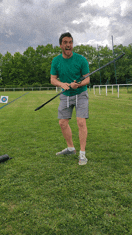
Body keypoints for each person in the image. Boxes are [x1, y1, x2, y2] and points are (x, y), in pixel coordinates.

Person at [50, 32, 90, 165]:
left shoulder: (81, 60)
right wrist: (62, 84)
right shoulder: (56, 61)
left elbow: (87, 78)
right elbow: (53, 79)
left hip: (80, 94)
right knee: (62, 123)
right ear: (61, 45)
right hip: (65, 95)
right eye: (66, 42)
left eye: (71, 42)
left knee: (81, 122)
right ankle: (70, 148)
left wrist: (78, 84)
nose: (68, 45)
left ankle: (82, 154)